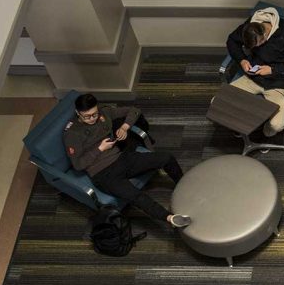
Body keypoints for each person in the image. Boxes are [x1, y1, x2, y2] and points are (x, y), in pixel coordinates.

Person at [63, 93, 191, 228]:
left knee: (166, 158)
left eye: (94, 114)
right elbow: (78, 165)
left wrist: (125, 127)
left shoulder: (104, 112)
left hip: (121, 158)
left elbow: (134, 111)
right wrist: (100, 148)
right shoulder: (72, 134)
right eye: (87, 116)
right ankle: (170, 218)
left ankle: (183, 184)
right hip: (103, 174)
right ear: (78, 113)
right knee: (137, 197)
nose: (92, 119)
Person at [225, 6, 284, 137]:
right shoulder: (250, 26)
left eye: (258, 45)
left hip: (277, 82)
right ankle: (245, 123)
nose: (257, 48)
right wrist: (242, 60)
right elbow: (232, 41)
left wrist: (272, 70)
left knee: (277, 125)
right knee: (218, 102)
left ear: (264, 35)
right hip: (253, 77)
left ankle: (262, 131)